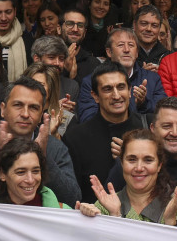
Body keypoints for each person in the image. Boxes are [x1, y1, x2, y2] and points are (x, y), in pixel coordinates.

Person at [0, 78, 79, 206]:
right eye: (18, 105)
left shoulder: (55, 147)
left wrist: (43, 158)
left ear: (41, 115)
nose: (25, 114)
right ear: (3, 109)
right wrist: (0, 159)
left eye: (33, 107)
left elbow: (72, 199)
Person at [62, 63, 144, 204]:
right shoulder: (76, 138)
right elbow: (72, 195)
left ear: (130, 91)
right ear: (95, 96)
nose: (116, 95)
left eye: (121, 87)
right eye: (107, 89)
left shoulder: (146, 128)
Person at [89, 130, 177, 227]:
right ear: (121, 163)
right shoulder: (104, 205)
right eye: (132, 159)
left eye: (148, 160)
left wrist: (170, 224)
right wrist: (85, 218)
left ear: (159, 166)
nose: (139, 168)